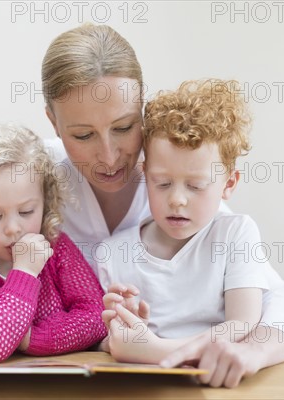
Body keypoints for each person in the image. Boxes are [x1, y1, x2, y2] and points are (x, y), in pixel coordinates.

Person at [0, 24, 284, 392]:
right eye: (83, 135)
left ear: (143, 112)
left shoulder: (171, 178)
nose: (109, 156)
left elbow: (282, 303)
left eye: (124, 128)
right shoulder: (28, 179)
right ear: (53, 122)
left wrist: (251, 351)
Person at [99, 79, 272, 382]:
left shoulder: (235, 234)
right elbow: (110, 345)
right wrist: (120, 322)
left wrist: (156, 351)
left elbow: (242, 323)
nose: (177, 199)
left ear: (228, 184)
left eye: (195, 186)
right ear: (145, 175)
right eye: (162, 183)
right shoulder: (113, 253)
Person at [0, 124, 106, 363]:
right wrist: (24, 272)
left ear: (44, 202)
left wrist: (30, 338)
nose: (13, 228)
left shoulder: (58, 250)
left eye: (26, 211)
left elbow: (97, 318)